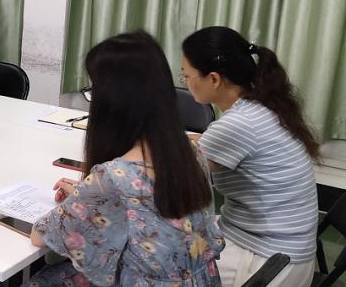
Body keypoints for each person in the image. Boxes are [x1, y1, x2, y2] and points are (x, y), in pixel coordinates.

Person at [28, 31, 223, 286]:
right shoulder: (190, 150)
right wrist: (89, 196)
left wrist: (87, 198)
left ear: (113, 101)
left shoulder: (113, 176)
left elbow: (41, 236)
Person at [182, 26, 319, 286]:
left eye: (186, 75)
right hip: (285, 243)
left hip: (268, 256)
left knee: (161, 258)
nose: (185, 82)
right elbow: (202, 146)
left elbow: (174, 175)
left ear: (214, 79)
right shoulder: (262, 106)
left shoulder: (237, 125)